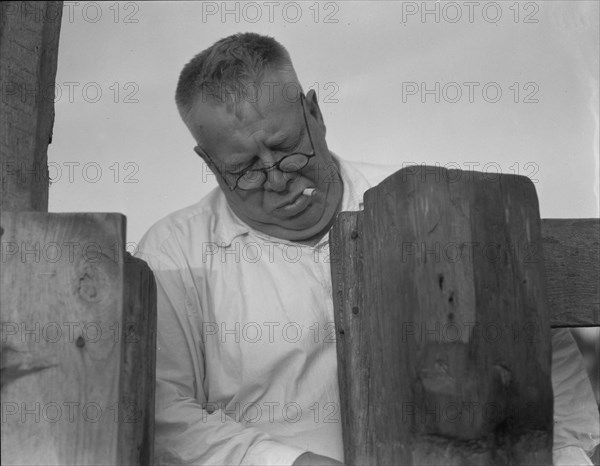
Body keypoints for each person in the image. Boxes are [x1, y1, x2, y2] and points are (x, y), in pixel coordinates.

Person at [136, 33, 599, 466]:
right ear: (208, 161)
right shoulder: (176, 252)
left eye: (287, 147)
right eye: (245, 169)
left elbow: (543, 360)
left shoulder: (438, 205)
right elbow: (164, 412)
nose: (278, 179)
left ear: (314, 113)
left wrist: (569, 457)